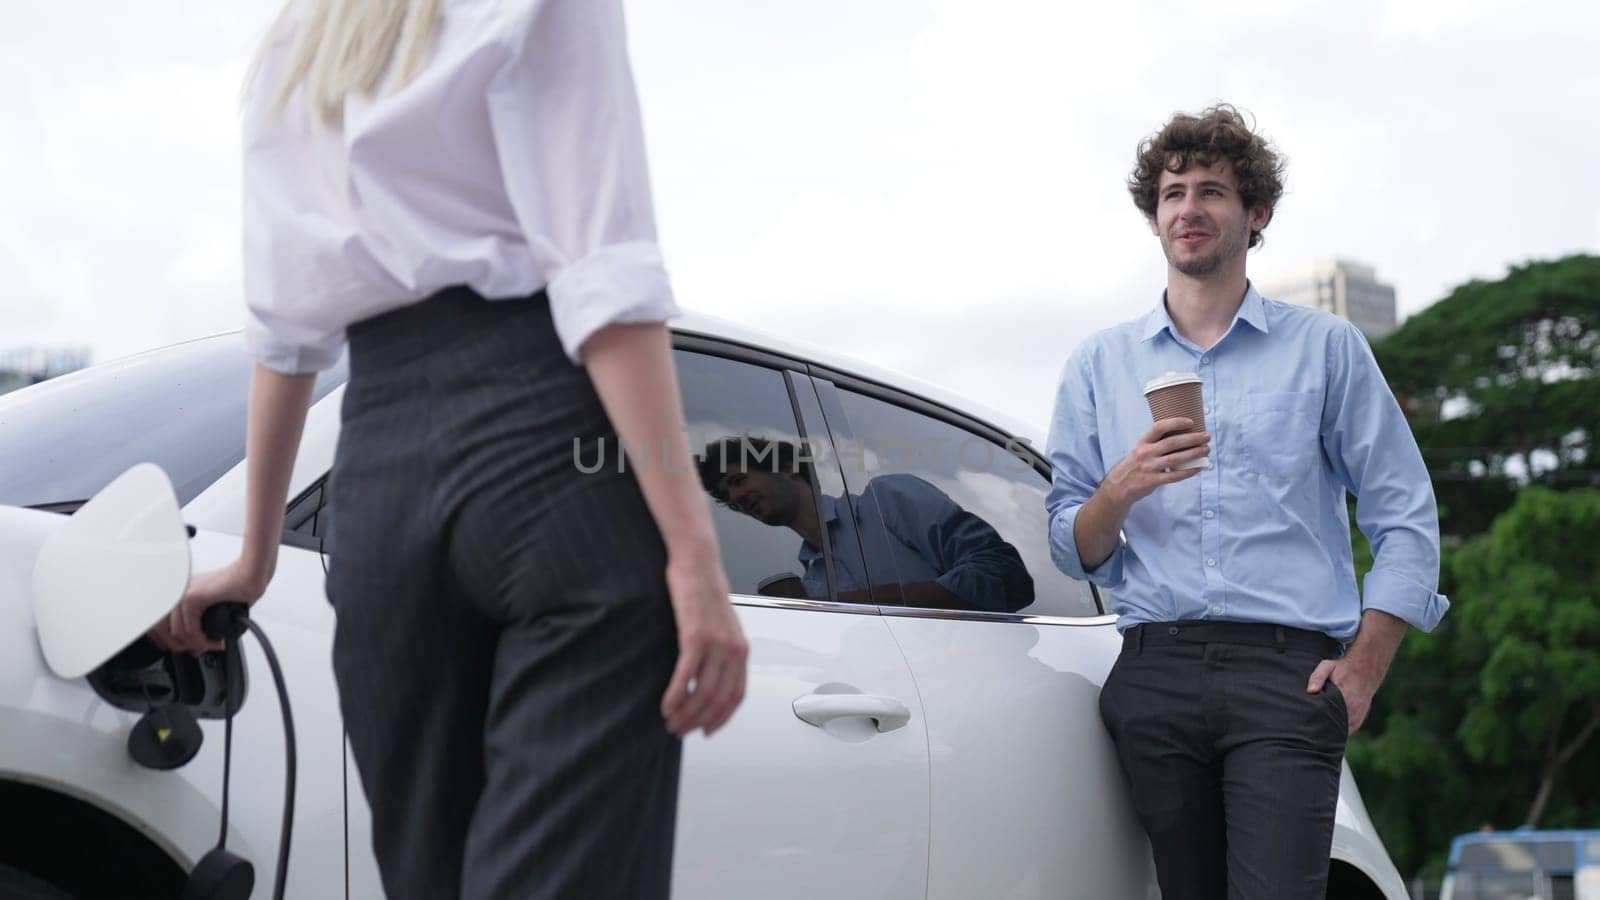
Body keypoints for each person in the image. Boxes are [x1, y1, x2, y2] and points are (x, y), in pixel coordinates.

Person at [149, 2, 748, 897]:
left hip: (379, 474)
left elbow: (283, 339)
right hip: (546, 446)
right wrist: (695, 555)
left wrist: (256, 558)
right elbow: (604, 274)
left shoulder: (298, 44)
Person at [1045, 104, 1449, 899]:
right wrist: (1121, 488)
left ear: (1255, 213)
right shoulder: (1098, 364)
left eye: (1211, 191)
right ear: (1154, 217)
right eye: (1171, 194)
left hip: (1287, 677)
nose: (1187, 208)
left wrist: (1364, 667)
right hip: (1153, 671)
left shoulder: (1327, 348)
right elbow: (1072, 543)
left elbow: (1404, 514)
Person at [697, 436, 1033, 613]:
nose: (737, 497)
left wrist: (848, 603)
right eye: (728, 497)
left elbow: (1004, 573)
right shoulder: (813, 581)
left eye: (739, 480)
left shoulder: (886, 499)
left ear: (787, 467)